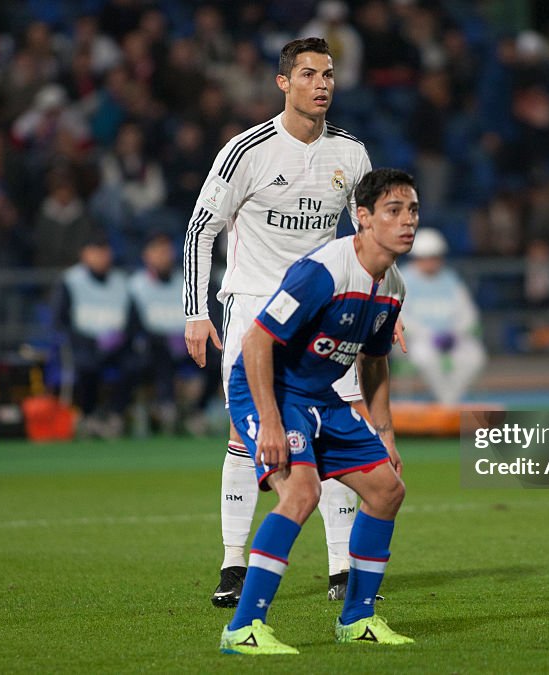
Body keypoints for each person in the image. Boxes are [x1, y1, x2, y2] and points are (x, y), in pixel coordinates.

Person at [183, 37, 375, 607]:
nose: (322, 84)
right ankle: (233, 564)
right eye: (310, 74)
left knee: (337, 427)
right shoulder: (247, 150)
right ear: (283, 83)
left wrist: (378, 306)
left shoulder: (351, 153)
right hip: (252, 306)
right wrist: (196, 312)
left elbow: (368, 237)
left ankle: (342, 569)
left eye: (329, 75)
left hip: (322, 313)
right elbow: (201, 229)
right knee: (249, 437)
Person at [219, 168, 417, 655]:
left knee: (387, 490)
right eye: (394, 211)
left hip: (320, 395)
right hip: (268, 387)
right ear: (363, 218)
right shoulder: (325, 270)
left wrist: (385, 434)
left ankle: (357, 619)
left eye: (412, 210)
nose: (407, 221)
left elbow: (373, 362)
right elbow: (257, 340)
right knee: (302, 493)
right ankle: (243, 628)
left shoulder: (391, 286)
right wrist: (268, 419)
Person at [129, 231, 219, 434]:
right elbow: (133, 326)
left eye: (166, 249)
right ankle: (166, 408)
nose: (163, 254)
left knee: (217, 360)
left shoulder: (187, 281)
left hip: (188, 342)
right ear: (146, 255)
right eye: (157, 250)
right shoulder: (137, 285)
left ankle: (197, 412)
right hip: (155, 347)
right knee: (159, 356)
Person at [53, 230, 133, 439]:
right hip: (84, 344)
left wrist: (121, 336)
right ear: (84, 254)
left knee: (135, 364)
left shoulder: (121, 281)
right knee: (87, 365)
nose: (101, 256)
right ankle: (89, 416)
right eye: (95, 251)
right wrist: (87, 341)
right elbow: (60, 320)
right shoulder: (70, 280)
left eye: (105, 250)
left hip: (116, 344)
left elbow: (133, 320)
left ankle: (116, 415)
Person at [398, 228, 485, 404]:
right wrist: (428, 334)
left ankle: (447, 402)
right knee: (427, 358)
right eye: (426, 257)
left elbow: (468, 313)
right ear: (417, 258)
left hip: (452, 338)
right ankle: (447, 403)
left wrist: (455, 333)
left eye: (434, 257)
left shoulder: (450, 279)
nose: (430, 262)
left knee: (475, 357)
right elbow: (400, 316)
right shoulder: (402, 279)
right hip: (418, 340)